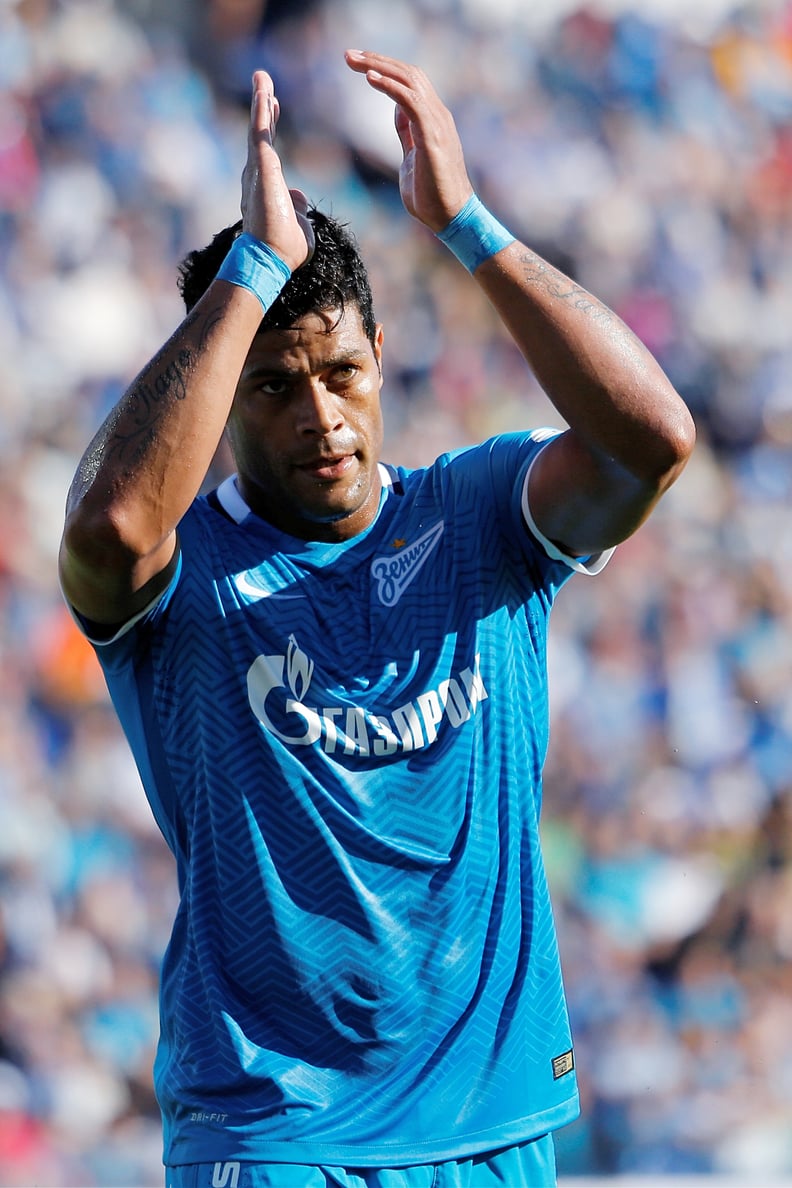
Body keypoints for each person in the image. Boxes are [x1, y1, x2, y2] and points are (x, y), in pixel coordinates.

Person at [58, 48, 695, 1188]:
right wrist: (252, 268)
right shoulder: (187, 569)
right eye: (273, 385)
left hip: (491, 1124)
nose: (323, 417)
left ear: (381, 360)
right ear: (223, 396)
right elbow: (104, 533)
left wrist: (465, 226)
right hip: (277, 1132)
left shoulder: (477, 517)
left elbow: (652, 439)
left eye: (342, 374)